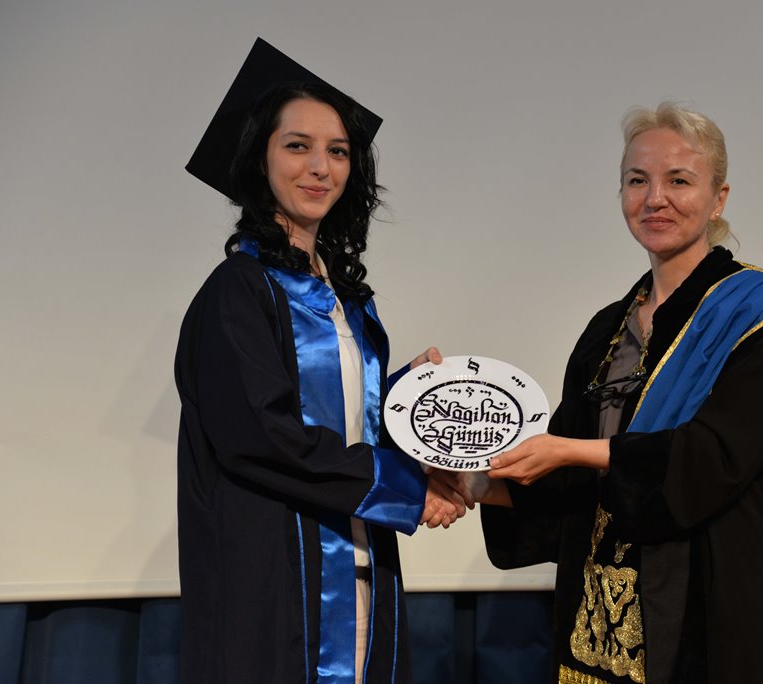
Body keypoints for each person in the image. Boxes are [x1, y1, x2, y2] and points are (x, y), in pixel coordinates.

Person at [440, 103, 763, 683]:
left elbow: (715, 455)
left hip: (716, 604)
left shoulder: (762, 313)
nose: (655, 198)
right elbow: (565, 483)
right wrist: (471, 483)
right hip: (600, 615)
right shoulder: (607, 328)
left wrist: (567, 451)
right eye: (637, 181)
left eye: (678, 181)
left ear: (718, 199)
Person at [176, 39, 463, 684]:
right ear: (260, 159)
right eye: (297, 146)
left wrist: (409, 400)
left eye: (338, 151)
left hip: (361, 569)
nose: (320, 167)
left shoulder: (344, 299)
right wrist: (407, 489)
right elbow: (264, 436)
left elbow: (339, 423)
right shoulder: (238, 291)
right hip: (278, 586)